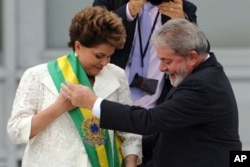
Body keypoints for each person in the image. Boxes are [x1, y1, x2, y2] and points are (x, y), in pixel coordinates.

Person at [61, 18, 242, 167]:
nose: (162, 68)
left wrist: (93, 102)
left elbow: (150, 121)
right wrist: (130, 153)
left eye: (167, 61)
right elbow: (168, 132)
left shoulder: (202, 86)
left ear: (193, 57)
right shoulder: (201, 74)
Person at [7, 6, 142, 167]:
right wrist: (58, 107)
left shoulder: (116, 75)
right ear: (78, 46)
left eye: (109, 56)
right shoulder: (38, 75)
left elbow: (129, 133)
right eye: (99, 56)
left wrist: (131, 162)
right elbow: (16, 131)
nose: (105, 62)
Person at [92, 1, 197, 166]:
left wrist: (183, 24)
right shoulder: (110, 2)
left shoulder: (182, 6)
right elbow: (92, 37)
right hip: (112, 113)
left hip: (155, 119)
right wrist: (127, 12)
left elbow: (198, 56)